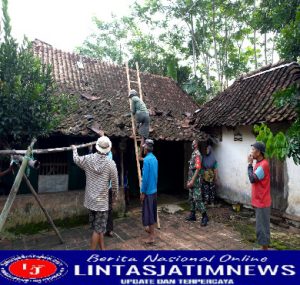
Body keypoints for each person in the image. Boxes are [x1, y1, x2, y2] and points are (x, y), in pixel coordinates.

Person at [71, 136, 118, 250]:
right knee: (98, 229)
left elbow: (76, 160)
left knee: (98, 227)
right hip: (102, 203)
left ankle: (102, 249)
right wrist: (114, 198)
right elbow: (115, 184)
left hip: (90, 200)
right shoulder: (111, 164)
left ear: (97, 147)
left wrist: (74, 150)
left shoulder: (88, 159)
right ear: (108, 149)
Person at [248, 141, 271, 250]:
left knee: (262, 228)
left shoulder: (263, 165)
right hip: (259, 200)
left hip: (262, 201)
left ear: (259, 152)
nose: (251, 151)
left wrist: (249, 164)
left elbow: (252, 179)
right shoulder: (258, 163)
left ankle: (264, 251)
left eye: (253, 149)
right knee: (260, 227)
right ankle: (263, 248)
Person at [186, 140, 209, 226]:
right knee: (191, 197)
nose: (192, 144)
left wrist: (192, 181)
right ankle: (192, 215)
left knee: (198, 198)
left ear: (196, 145)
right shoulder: (193, 154)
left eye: (193, 143)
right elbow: (191, 169)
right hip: (191, 179)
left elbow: (198, 168)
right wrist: (189, 180)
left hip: (196, 181)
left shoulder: (198, 155)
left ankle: (205, 216)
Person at [140, 139, 158, 244]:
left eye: (144, 147)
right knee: (152, 212)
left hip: (148, 191)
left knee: (149, 213)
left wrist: (143, 192)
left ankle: (152, 237)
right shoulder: (155, 159)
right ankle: (151, 232)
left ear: (146, 148)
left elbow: (145, 178)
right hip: (154, 190)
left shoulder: (147, 160)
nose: (143, 149)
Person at [128, 89, 150, 159]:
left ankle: (133, 134)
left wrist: (131, 111)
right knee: (143, 138)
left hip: (140, 114)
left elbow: (133, 111)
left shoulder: (133, 99)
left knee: (137, 122)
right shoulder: (140, 100)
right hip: (147, 115)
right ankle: (141, 156)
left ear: (131, 95)